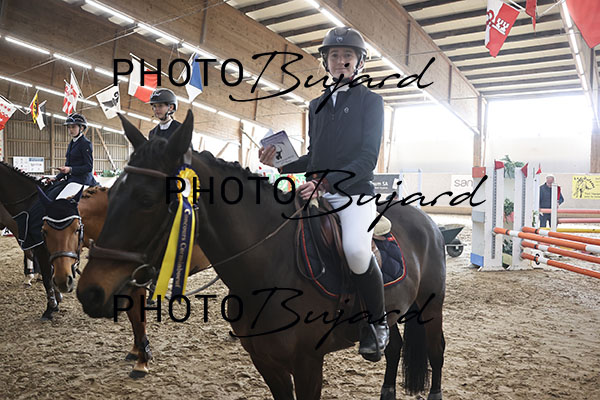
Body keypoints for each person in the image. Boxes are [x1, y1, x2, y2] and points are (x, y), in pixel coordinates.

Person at [258, 27, 388, 361]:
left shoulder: (371, 102)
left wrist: (326, 183)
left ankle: (378, 322)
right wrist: (279, 163)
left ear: (359, 62)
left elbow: (367, 158)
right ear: (326, 62)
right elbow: (314, 156)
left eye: (348, 56)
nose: (341, 61)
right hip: (316, 191)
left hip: (354, 194)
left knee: (356, 250)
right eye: (334, 56)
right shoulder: (316, 105)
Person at [50, 112, 98, 198]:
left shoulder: (85, 144)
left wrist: (70, 169)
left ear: (81, 128)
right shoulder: (72, 143)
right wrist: (56, 178)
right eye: (69, 127)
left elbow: (89, 167)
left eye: (73, 127)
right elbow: (68, 165)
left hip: (81, 181)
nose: (70, 130)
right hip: (71, 180)